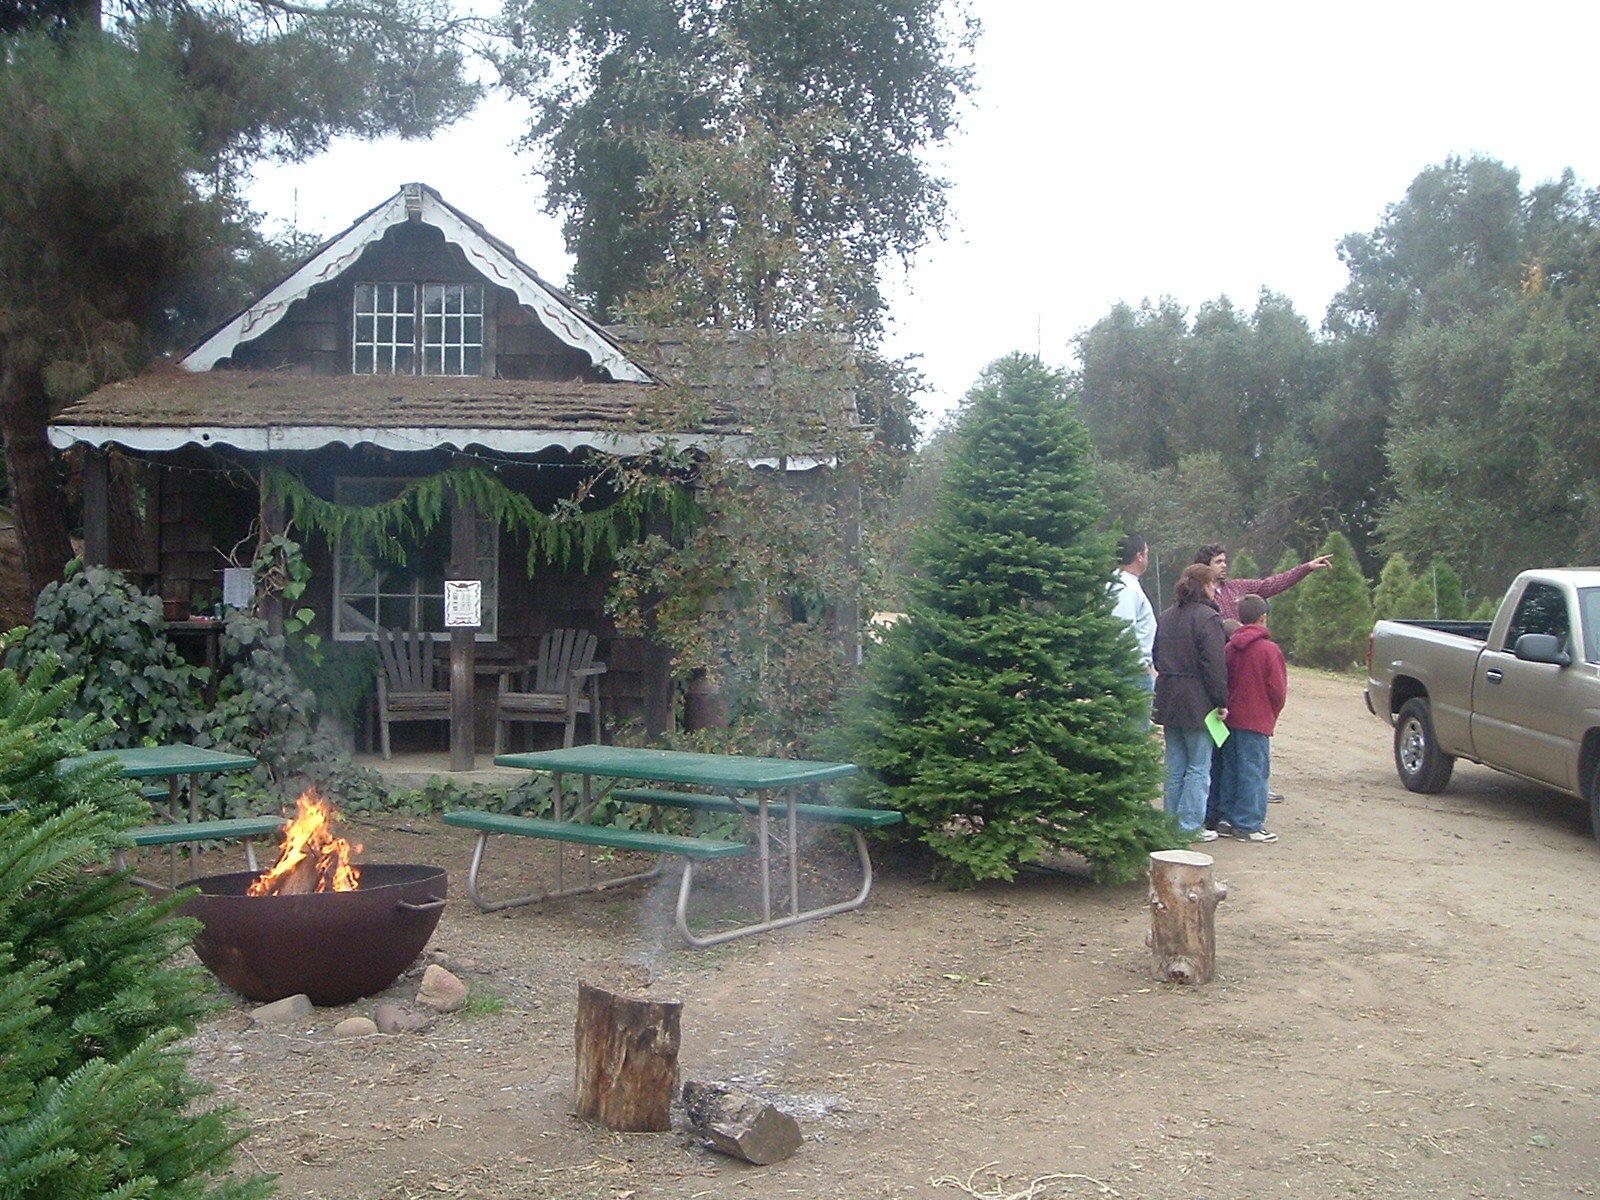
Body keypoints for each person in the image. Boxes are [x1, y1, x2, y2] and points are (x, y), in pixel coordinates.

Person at [1151, 563, 1229, 842]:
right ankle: (1190, 826)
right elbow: (1215, 664)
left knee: (1174, 764)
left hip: (1168, 695)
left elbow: (1156, 655)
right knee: (1198, 765)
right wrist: (1221, 699)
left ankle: (1171, 822)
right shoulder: (1208, 618)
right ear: (1206, 586)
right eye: (1214, 585)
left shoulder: (1166, 616)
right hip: (1198, 699)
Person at [1218, 594, 1288, 843]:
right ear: (1263, 617)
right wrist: (1272, 712)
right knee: (1255, 771)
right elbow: (1277, 690)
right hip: (1257, 718)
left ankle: (1226, 818)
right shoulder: (1270, 650)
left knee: (1230, 769)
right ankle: (1249, 824)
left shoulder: (1229, 648)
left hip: (1230, 718)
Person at [1193, 543, 1333, 622]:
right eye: (1218, 562)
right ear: (1205, 566)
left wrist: (1307, 567)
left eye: (1224, 561)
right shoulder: (1195, 596)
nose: (1224, 565)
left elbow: (1272, 584)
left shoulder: (1238, 587)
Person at [1109, 534, 1156, 726]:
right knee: (1134, 732)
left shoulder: (1125, 584)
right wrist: (1140, 665)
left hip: (1134, 669)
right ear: (1139, 556)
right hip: (1131, 672)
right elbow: (1124, 629)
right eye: (1146, 553)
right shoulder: (1125, 588)